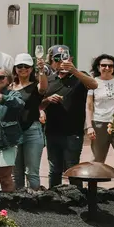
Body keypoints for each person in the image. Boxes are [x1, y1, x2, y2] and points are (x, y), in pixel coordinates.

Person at [42, 45, 99, 188]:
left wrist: (73, 70)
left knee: (72, 168)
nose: (60, 61)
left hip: (73, 132)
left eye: (64, 58)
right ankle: (54, 200)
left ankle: (78, 200)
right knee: (54, 170)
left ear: (71, 59)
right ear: (51, 61)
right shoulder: (49, 79)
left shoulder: (79, 76)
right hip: (52, 131)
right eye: (56, 58)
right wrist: (48, 100)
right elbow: (39, 104)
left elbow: (94, 84)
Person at [10, 53, 47, 191]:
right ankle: (18, 206)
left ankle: (35, 204)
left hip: (32, 130)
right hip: (14, 131)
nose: (23, 69)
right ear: (15, 68)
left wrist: (42, 70)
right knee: (16, 174)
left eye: (27, 66)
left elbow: (43, 88)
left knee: (32, 173)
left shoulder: (36, 85)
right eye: (20, 66)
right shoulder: (10, 86)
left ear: (31, 69)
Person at [87, 54, 114, 166]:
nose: (107, 68)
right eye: (104, 65)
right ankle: (92, 182)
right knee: (98, 158)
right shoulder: (93, 82)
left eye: (110, 66)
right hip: (99, 123)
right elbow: (89, 106)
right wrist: (89, 126)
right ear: (98, 67)